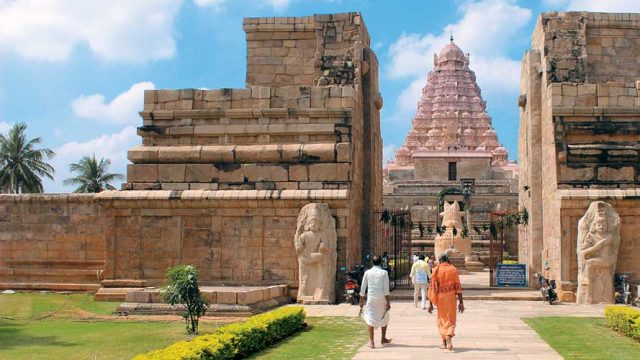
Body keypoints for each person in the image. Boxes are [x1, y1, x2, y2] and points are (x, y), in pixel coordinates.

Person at [428, 253, 464, 351]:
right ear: (447, 260)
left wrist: (430, 303)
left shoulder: (435, 270)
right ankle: (448, 338)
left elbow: (432, 288)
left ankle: (445, 341)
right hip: (451, 298)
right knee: (451, 319)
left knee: (442, 319)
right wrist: (461, 303)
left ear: (439, 261)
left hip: (441, 298)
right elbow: (458, 287)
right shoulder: (453, 269)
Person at [359, 255, 392, 348]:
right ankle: (383, 338)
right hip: (382, 299)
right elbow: (386, 290)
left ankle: (371, 341)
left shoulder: (367, 273)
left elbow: (362, 288)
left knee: (370, 319)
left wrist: (361, 302)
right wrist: (388, 303)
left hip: (371, 299)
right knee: (384, 317)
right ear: (381, 262)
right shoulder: (384, 273)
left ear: (372, 263)